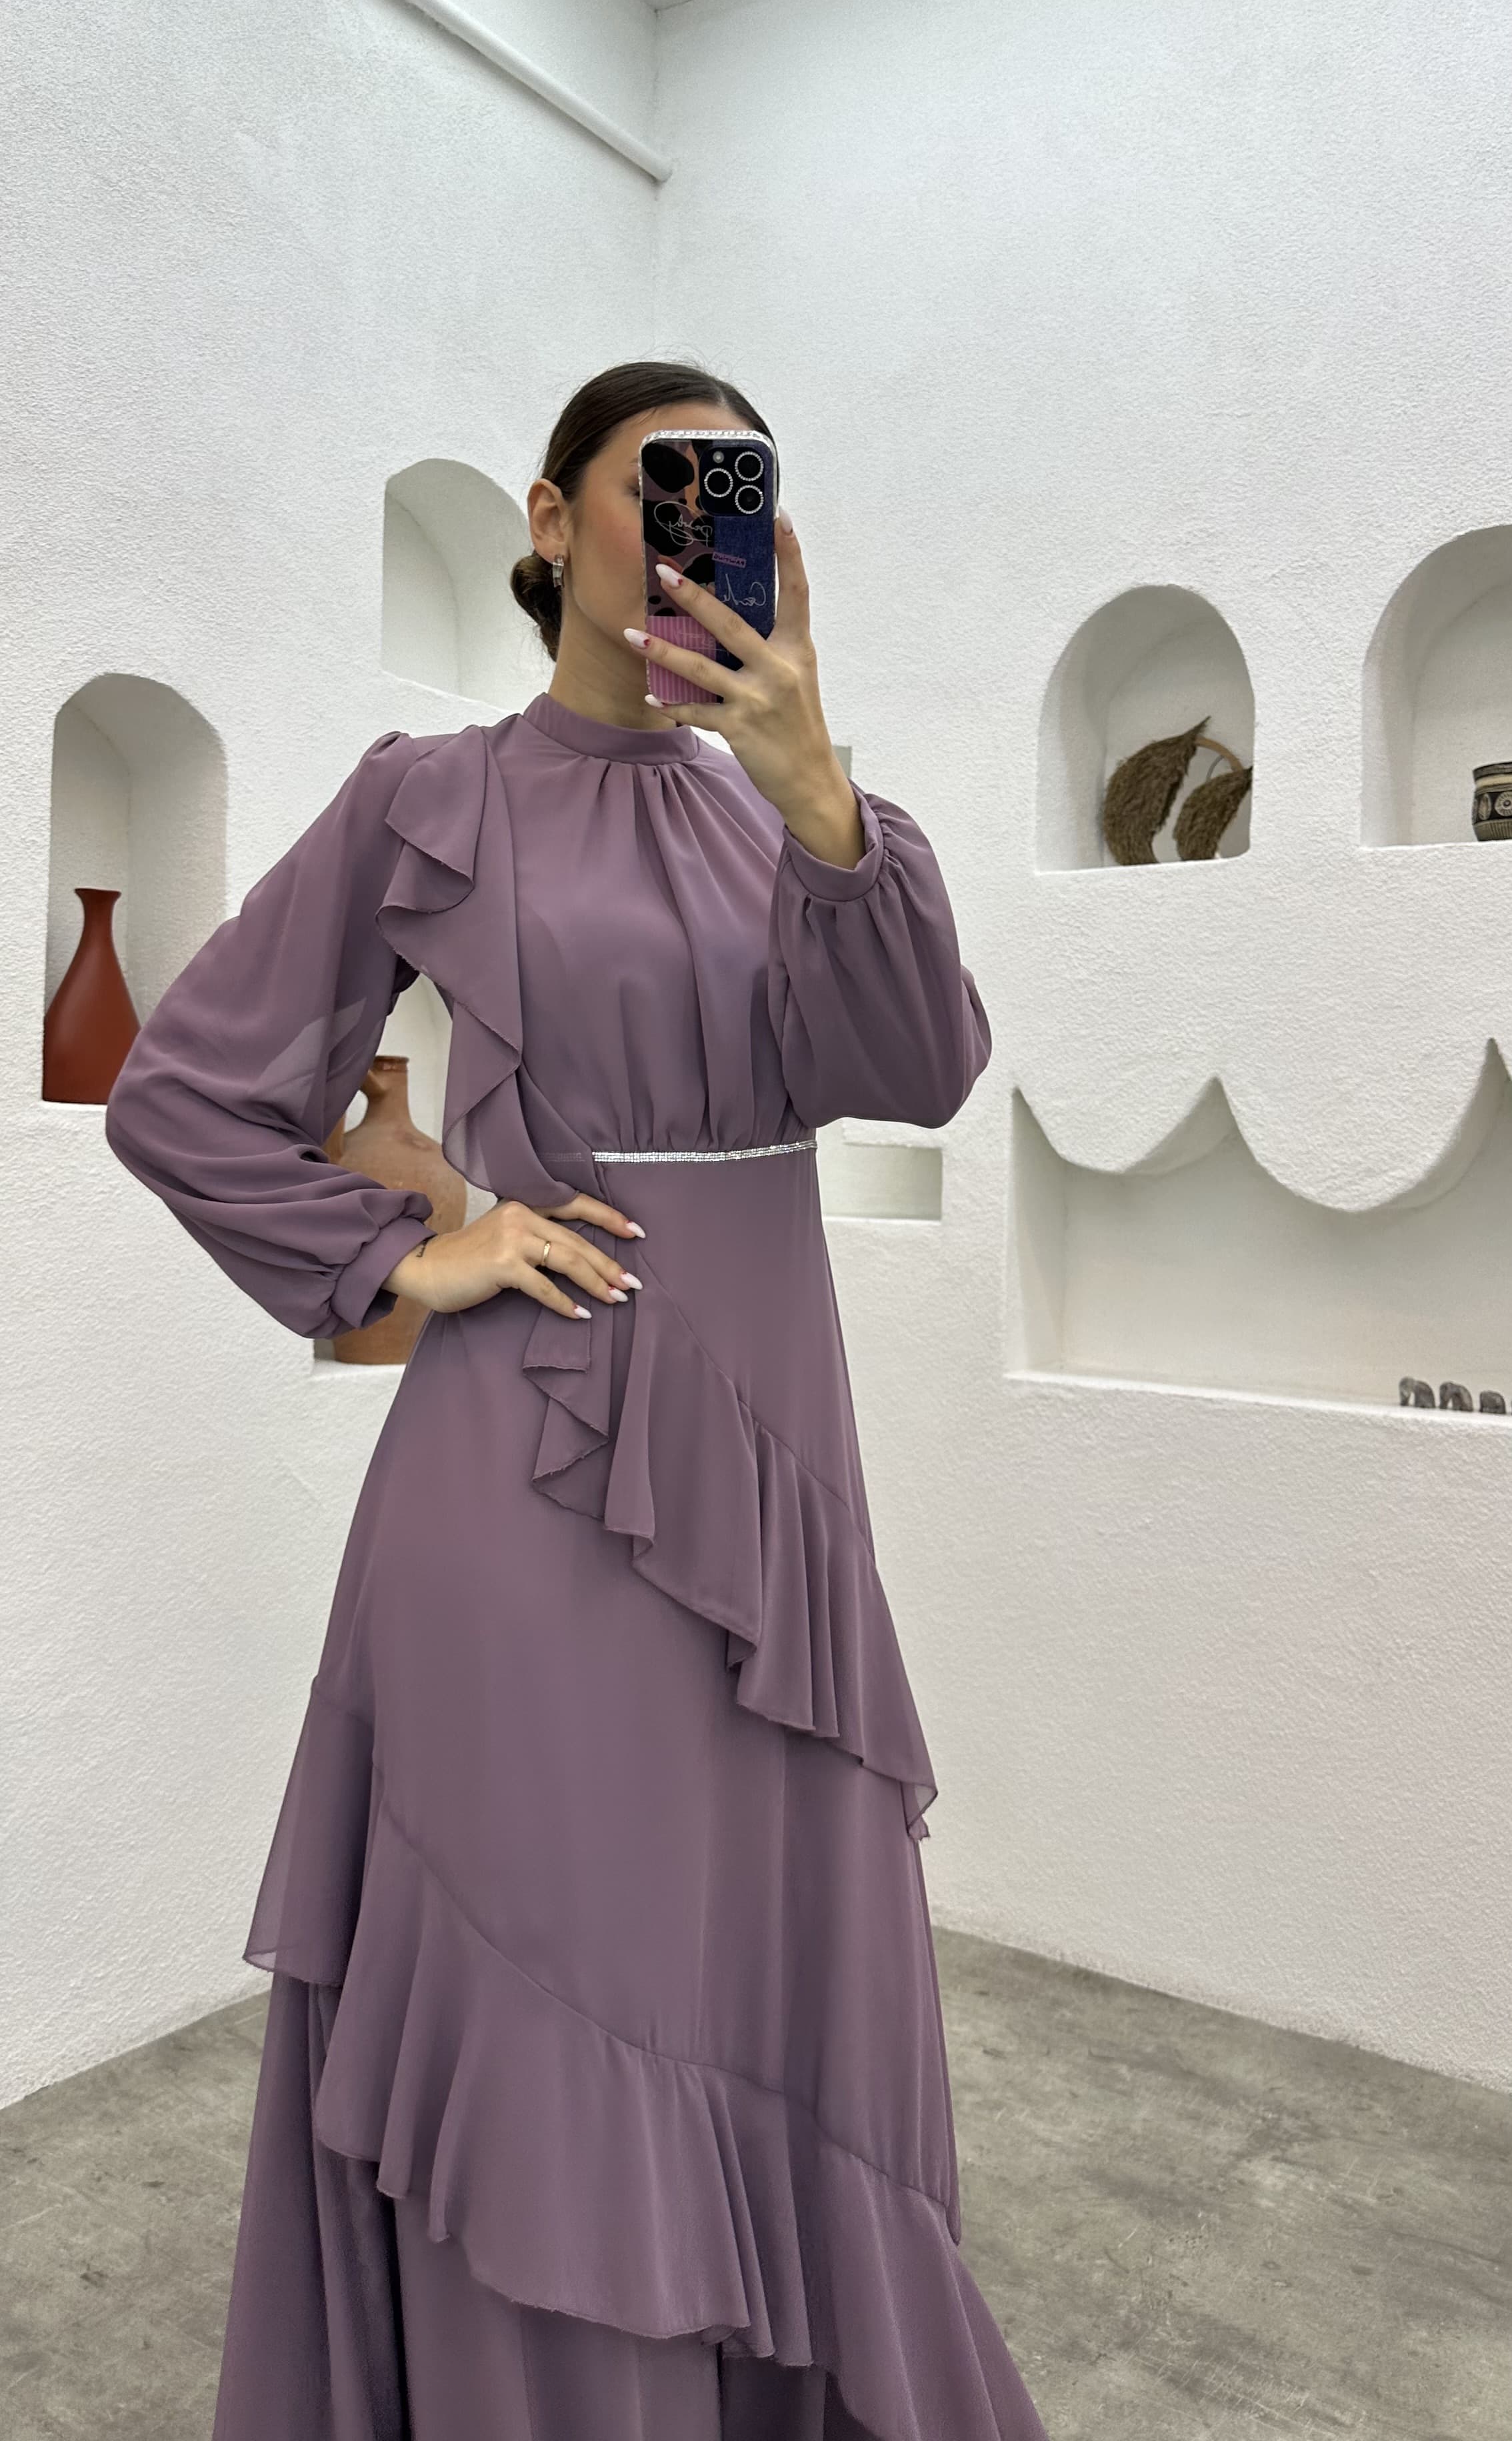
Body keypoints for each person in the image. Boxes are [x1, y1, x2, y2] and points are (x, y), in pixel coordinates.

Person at [104, 359, 1048, 2440]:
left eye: (744, 496)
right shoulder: (429, 796)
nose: (703, 530)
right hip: (522, 1478)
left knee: (766, 1959)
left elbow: (916, 1069)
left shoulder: (792, 817)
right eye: (660, 486)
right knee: (552, 1964)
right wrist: (411, 1248)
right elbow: (183, 1094)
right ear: (549, 521)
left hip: (773, 1483)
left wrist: (817, 791)